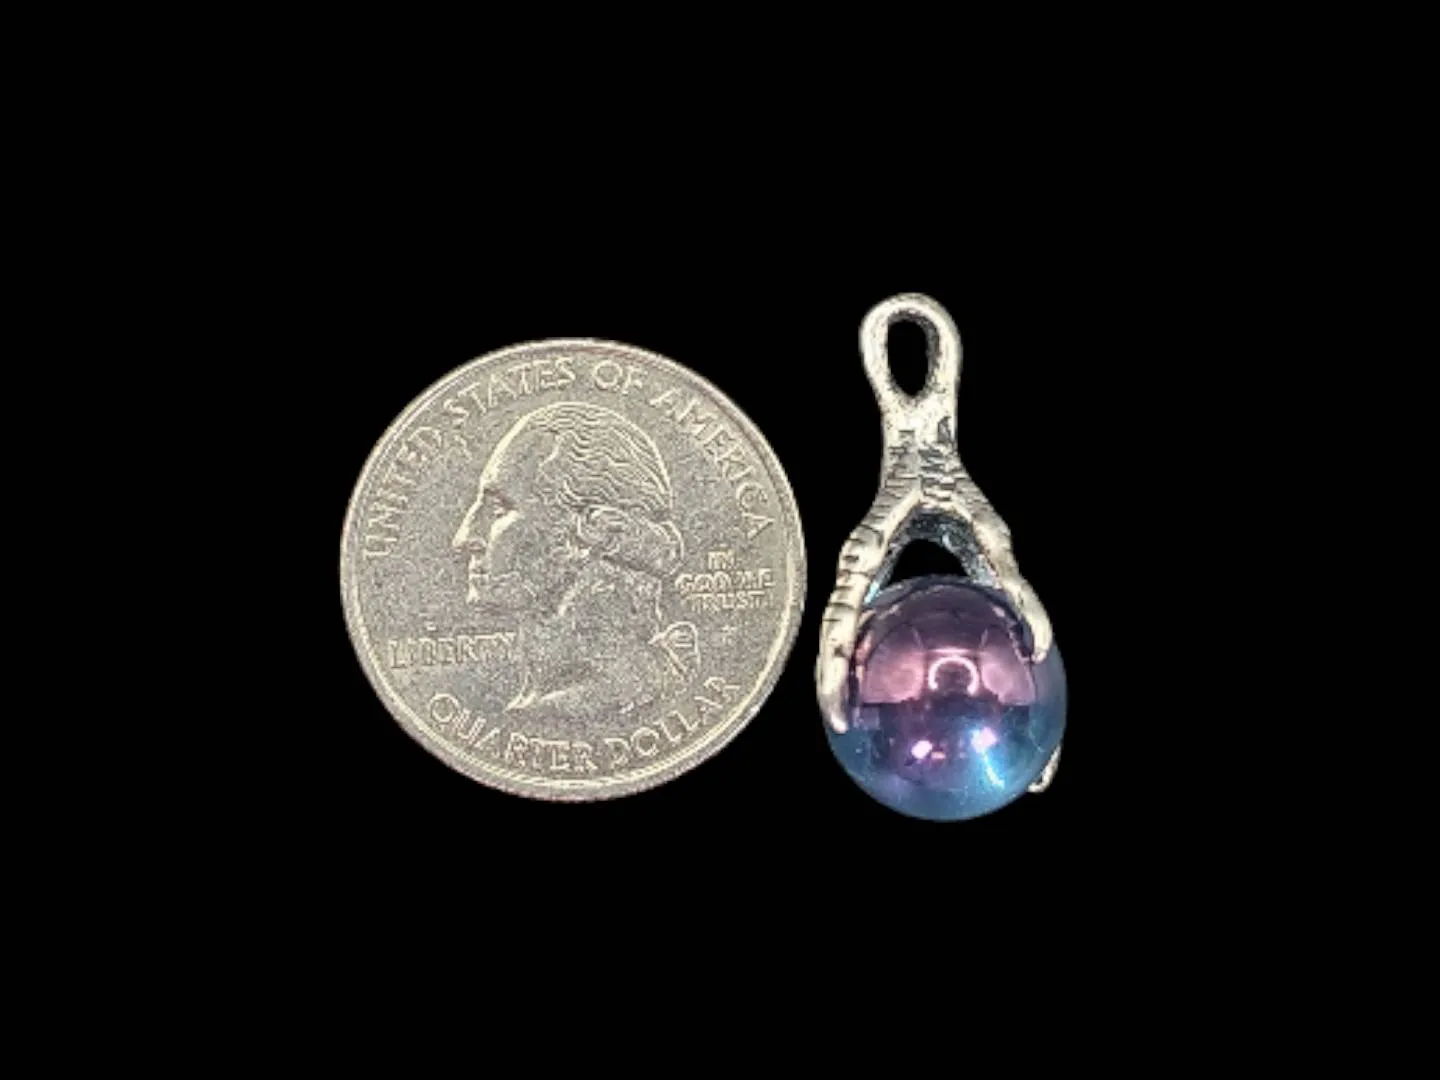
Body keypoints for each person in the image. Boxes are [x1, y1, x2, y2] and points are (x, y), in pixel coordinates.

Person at [452, 401, 697, 719]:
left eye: (499, 509)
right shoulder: (544, 701)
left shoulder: (590, 702)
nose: (463, 539)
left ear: (594, 529)